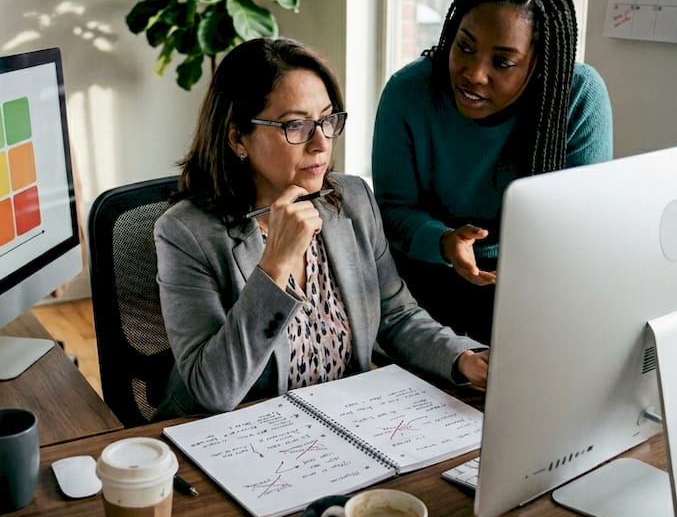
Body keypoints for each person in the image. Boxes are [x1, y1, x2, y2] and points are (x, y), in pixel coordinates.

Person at [153, 37, 488, 419]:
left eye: (327, 120)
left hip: (342, 425)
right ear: (237, 138)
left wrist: (464, 357)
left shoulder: (353, 199)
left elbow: (395, 316)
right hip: (238, 437)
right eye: (295, 125)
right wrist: (274, 266)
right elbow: (212, 390)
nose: (320, 143)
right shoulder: (185, 234)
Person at [372, 0, 613, 343]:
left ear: (537, 65)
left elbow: (581, 227)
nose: (473, 73)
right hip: (424, 287)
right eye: (464, 47)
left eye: (502, 62)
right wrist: (444, 241)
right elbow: (392, 209)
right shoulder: (408, 93)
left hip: (535, 287)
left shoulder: (577, 96)